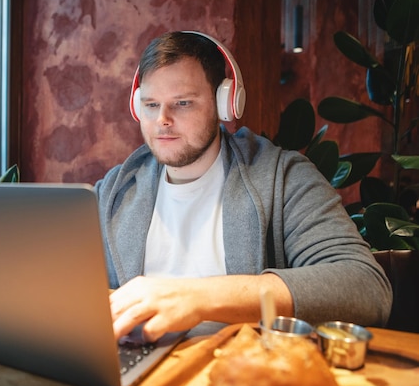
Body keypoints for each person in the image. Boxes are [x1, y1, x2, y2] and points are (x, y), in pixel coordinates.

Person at [94, 31, 392, 341]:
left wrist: (199, 298)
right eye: (151, 104)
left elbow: (366, 288)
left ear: (225, 103)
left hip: (239, 373)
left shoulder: (282, 177)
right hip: (135, 373)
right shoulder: (115, 189)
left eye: (182, 103)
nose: (162, 120)